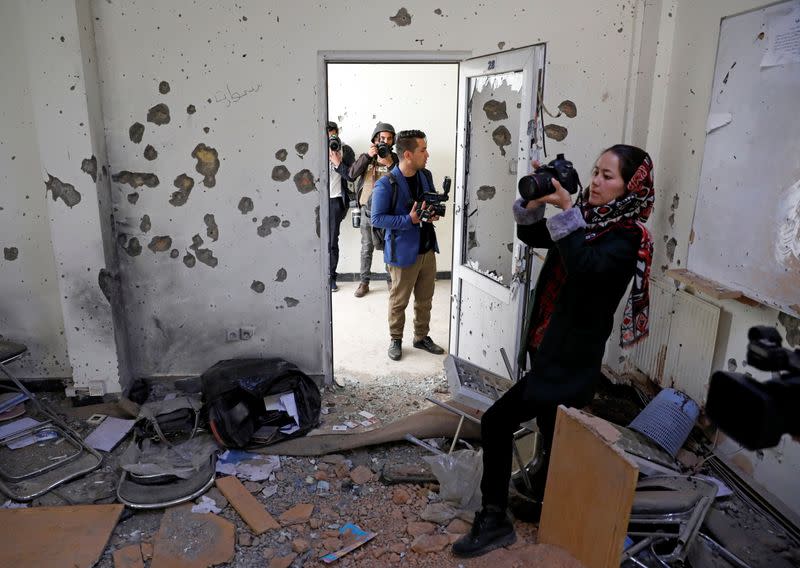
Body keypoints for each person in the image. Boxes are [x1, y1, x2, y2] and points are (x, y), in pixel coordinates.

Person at [452, 144, 656, 558]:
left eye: (608, 176)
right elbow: (532, 233)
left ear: (631, 186)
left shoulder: (627, 236)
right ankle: (547, 503)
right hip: (548, 347)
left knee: (495, 422)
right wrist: (535, 199)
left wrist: (566, 209)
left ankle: (493, 521)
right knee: (552, 430)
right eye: (595, 171)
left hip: (571, 361)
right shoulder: (590, 218)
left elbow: (584, 267)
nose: (596, 181)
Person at [371, 130, 446, 361]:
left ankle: (421, 337)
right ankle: (396, 339)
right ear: (408, 154)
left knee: (425, 298)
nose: (427, 154)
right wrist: (408, 220)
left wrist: (430, 214)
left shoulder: (426, 175)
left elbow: (428, 202)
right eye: (422, 150)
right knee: (399, 300)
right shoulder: (386, 184)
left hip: (427, 248)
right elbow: (377, 219)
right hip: (402, 252)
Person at [348, 122, 399, 297]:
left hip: (388, 212)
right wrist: (367, 157)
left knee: (389, 247)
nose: (385, 141)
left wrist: (390, 163)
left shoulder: (396, 159)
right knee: (366, 248)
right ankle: (364, 282)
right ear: (375, 139)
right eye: (382, 138)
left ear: (393, 141)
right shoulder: (367, 157)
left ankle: (391, 282)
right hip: (367, 211)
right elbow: (351, 174)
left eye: (389, 138)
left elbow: (403, 179)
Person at [327, 121, 355, 292]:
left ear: (337, 133)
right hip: (315, 202)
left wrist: (338, 162)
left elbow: (351, 176)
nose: (330, 139)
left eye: (332, 135)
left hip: (335, 200)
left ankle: (331, 277)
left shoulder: (346, 150)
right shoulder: (313, 147)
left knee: (331, 241)